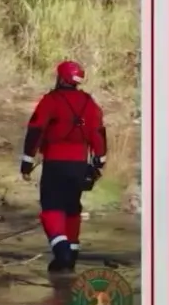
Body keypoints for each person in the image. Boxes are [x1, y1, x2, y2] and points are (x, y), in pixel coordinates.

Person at [19, 61, 107, 273]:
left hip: (55, 164)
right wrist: (99, 160)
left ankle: (62, 252)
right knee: (72, 208)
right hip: (79, 165)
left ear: (61, 78)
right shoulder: (89, 103)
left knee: (52, 208)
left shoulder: (51, 100)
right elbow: (97, 132)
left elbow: (36, 129)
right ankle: (70, 258)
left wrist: (27, 161)